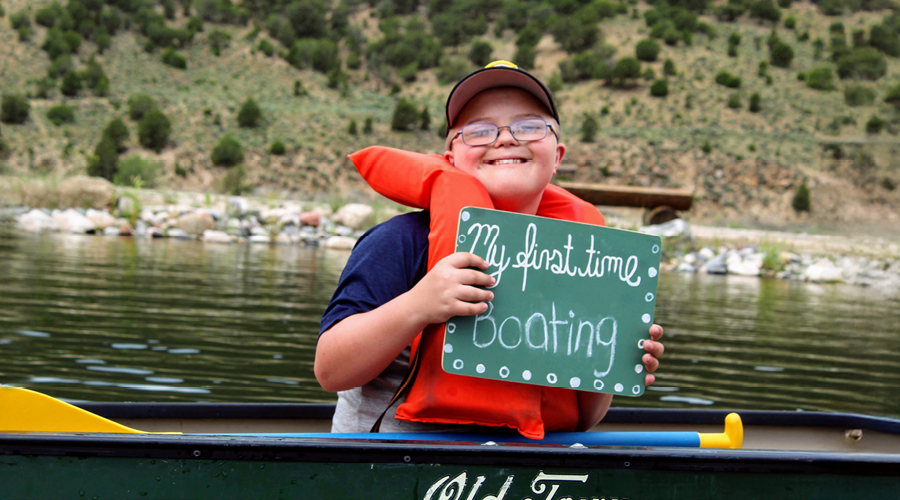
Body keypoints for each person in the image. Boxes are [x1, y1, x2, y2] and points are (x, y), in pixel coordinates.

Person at [315, 61, 665, 435]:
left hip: (518, 475)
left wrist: (613, 361)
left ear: (558, 157)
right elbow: (331, 370)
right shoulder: (400, 241)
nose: (505, 138)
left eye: (529, 126)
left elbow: (584, 418)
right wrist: (418, 306)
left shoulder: (586, 263)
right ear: (451, 158)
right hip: (391, 468)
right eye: (479, 131)